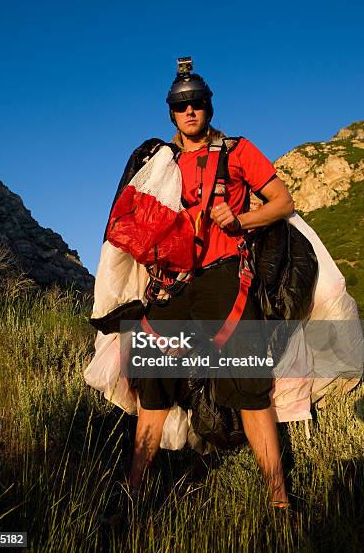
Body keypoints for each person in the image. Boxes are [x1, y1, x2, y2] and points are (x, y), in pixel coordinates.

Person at [125, 58, 294, 508]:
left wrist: (241, 219)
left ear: (210, 107)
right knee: (154, 389)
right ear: (171, 114)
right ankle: (133, 498)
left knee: (251, 389)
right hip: (171, 284)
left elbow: (282, 201)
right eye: (182, 106)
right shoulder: (159, 161)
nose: (191, 112)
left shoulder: (239, 151)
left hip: (225, 278)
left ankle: (280, 502)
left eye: (198, 103)